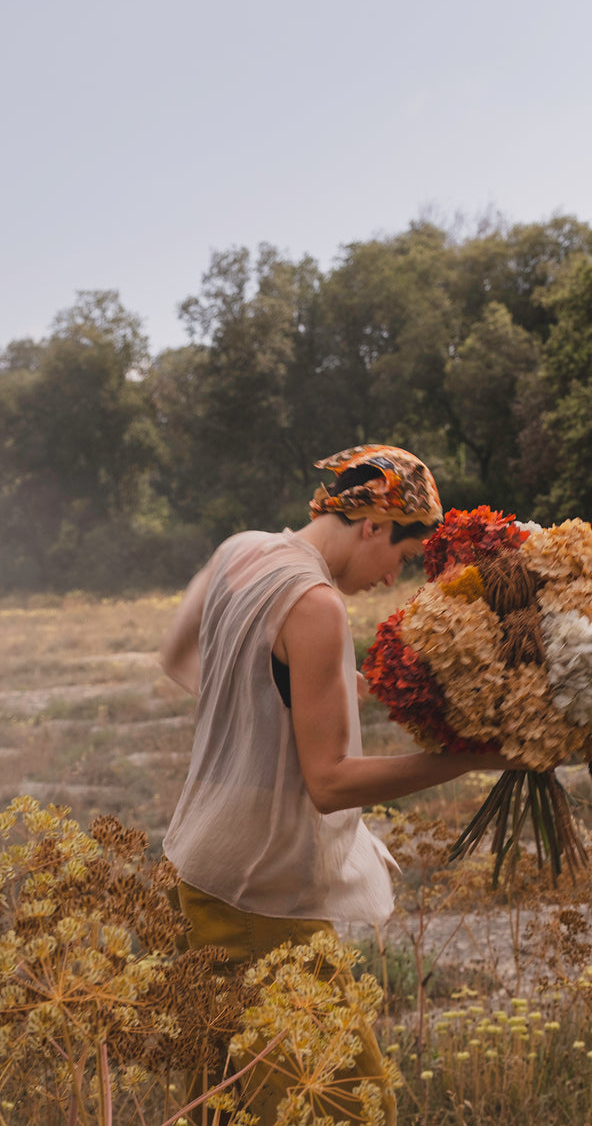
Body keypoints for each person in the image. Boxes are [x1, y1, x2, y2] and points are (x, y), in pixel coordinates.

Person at [158, 444, 509, 1125]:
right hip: (258, 890)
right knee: (347, 1106)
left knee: (226, 1108)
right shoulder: (315, 605)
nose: (390, 578)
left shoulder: (243, 551)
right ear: (374, 524)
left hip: (200, 866)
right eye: (401, 558)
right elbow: (329, 782)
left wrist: (294, 696)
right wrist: (470, 759)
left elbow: (179, 656)